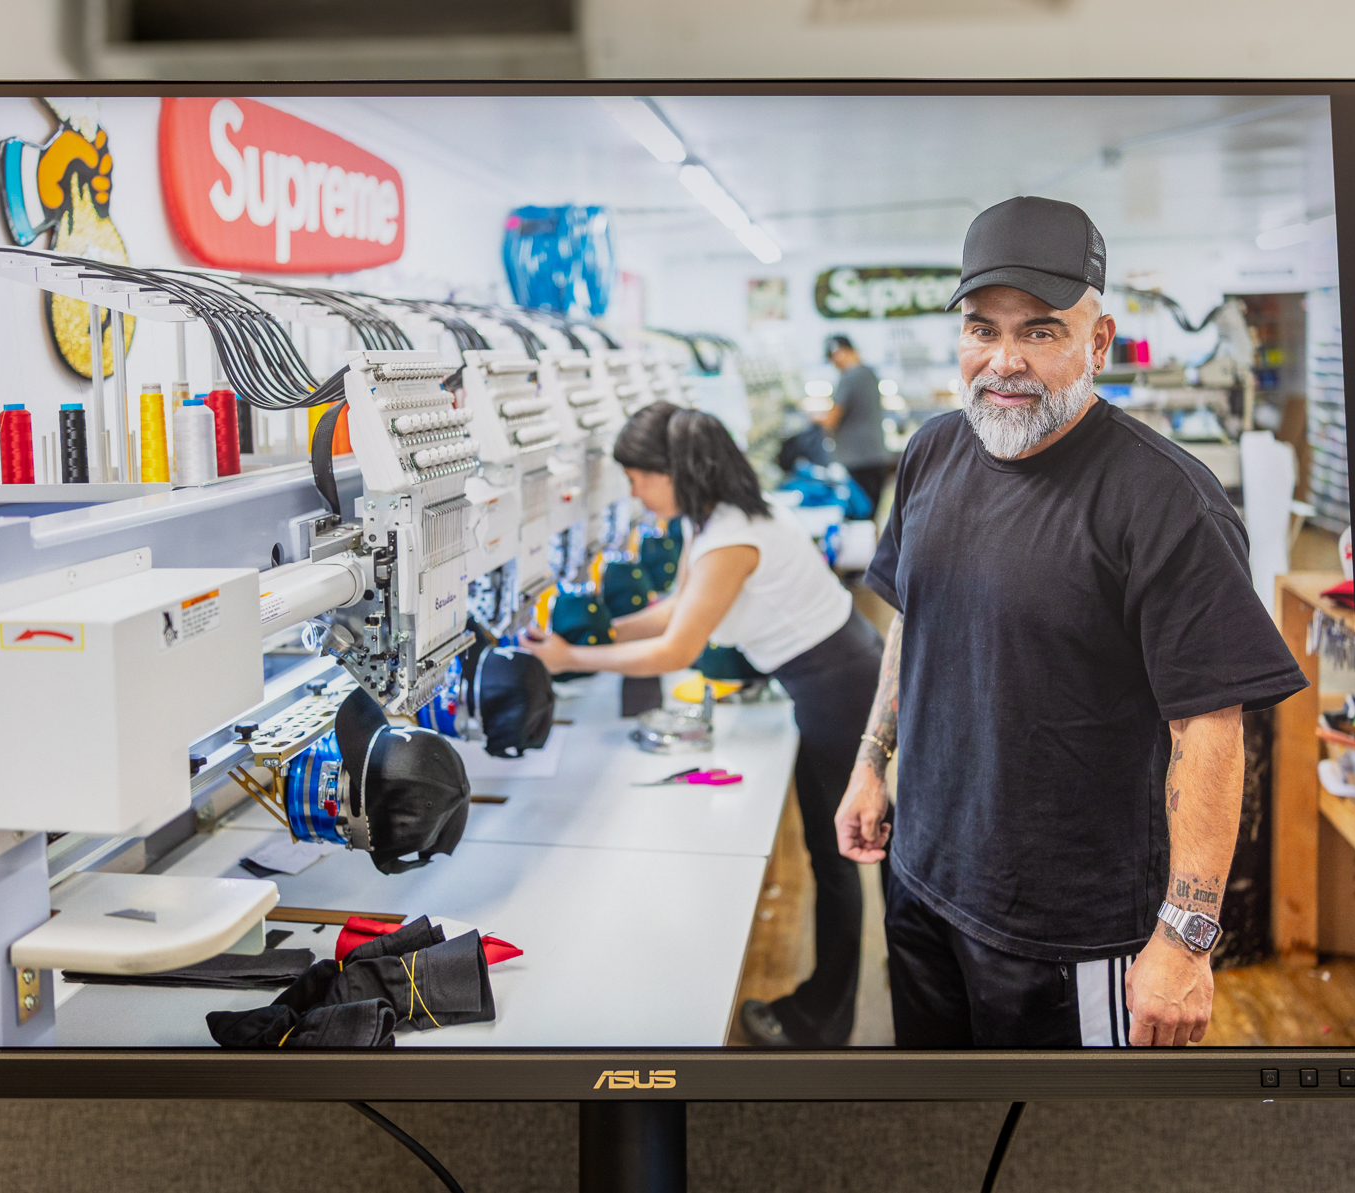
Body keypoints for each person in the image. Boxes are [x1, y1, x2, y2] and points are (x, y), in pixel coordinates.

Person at [834, 196, 1306, 1048]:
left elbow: (1211, 728)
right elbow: (914, 614)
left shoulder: (1166, 500)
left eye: (1040, 331)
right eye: (982, 329)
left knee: (1068, 1148)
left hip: (1067, 930)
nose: (1004, 360)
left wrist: (1186, 936)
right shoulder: (932, 451)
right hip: (922, 881)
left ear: (1098, 342)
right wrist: (874, 761)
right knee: (937, 1120)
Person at [520, 401, 884, 1047]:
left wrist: (571, 658)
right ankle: (834, 1009)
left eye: (637, 477)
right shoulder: (717, 519)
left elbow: (677, 649)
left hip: (840, 689)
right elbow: (673, 610)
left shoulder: (727, 538)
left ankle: (821, 1025)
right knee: (831, 854)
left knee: (833, 859)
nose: (632, 490)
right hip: (832, 676)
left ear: (671, 471)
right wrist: (588, 633)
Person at [818, 334, 893, 516]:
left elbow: (831, 419)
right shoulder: (869, 373)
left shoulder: (849, 377)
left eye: (832, 358)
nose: (834, 365)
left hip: (858, 460)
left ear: (839, 353)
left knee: (860, 516)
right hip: (875, 455)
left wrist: (814, 418)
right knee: (872, 515)